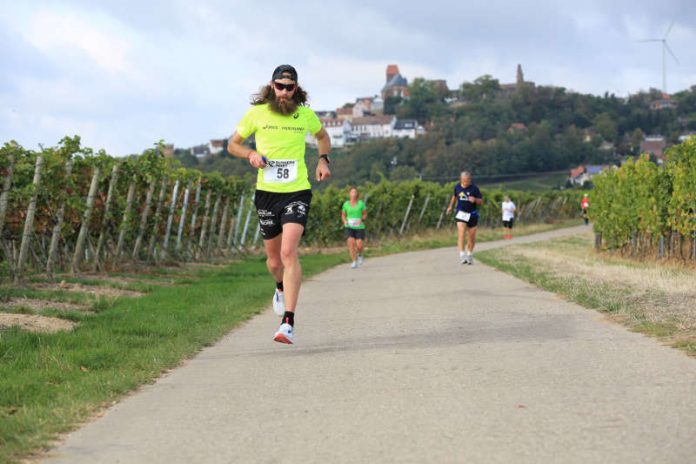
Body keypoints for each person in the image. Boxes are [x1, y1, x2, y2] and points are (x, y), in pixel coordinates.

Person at [227, 65, 331, 344]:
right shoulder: (257, 114)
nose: (284, 92)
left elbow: (323, 137)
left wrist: (323, 160)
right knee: (274, 262)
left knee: (288, 252)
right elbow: (232, 144)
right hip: (267, 193)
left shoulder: (304, 115)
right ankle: (279, 287)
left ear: (296, 89)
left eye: (290, 87)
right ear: (271, 86)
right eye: (280, 86)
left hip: (297, 191)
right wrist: (249, 153)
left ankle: (288, 322)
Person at [446, 171, 483, 264]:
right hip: (461, 213)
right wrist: (450, 206)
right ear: (461, 179)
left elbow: (481, 201)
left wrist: (475, 200)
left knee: (471, 237)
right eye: (464, 181)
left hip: (472, 214)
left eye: (467, 181)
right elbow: (454, 197)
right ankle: (462, 255)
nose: (466, 183)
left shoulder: (475, 189)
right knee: (461, 233)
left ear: (470, 180)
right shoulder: (457, 187)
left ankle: (469, 254)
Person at [341, 187, 367, 269]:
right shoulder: (346, 204)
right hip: (349, 226)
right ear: (349, 194)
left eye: (355, 192)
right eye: (352, 192)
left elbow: (365, 214)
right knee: (351, 242)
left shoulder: (361, 204)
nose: (353, 193)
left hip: (359, 227)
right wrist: (344, 221)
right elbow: (343, 215)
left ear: (357, 194)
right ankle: (354, 261)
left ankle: (360, 255)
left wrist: (361, 219)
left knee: (359, 244)